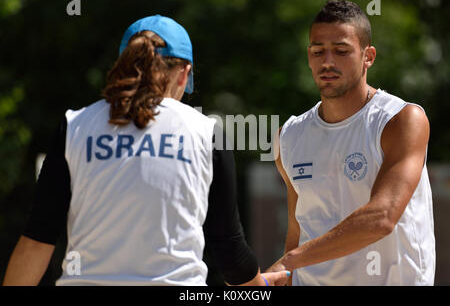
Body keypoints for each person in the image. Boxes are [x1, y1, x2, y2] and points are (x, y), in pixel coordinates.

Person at [3, 15, 289, 286]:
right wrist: (259, 285)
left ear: (123, 64)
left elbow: (37, 241)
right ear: (184, 74)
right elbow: (230, 253)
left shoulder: (75, 126)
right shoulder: (206, 133)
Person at [268, 0, 435, 285]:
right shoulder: (289, 136)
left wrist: (292, 259)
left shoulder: (402, 120)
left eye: (342, 51)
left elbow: (381, 218)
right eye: (318, 51)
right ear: (309, 57)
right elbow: (298, 230)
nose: (328, 62)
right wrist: (282, 274)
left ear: (367, 56)